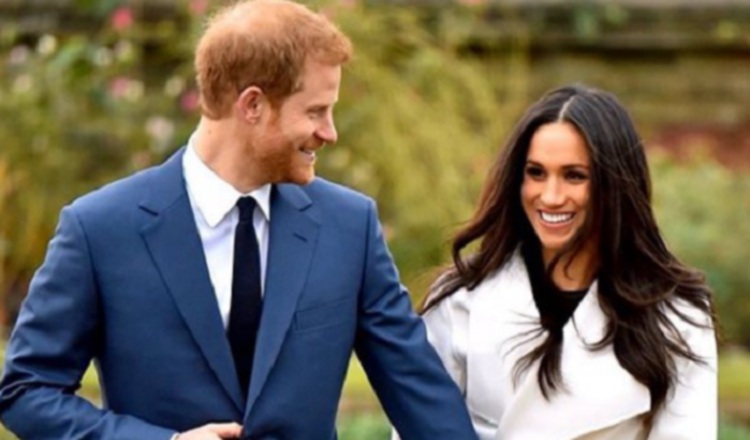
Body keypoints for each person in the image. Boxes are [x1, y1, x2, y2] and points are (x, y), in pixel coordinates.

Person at [0, 1, 478, 439]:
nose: (329, 132)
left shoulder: (349, 228)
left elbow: (425, 401)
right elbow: (26, 390)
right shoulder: (99, 229)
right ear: (252, 105)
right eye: (316, 111)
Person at [407, 84, 718, 440]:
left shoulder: (677, 316)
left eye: (574, 176)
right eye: (536, 173)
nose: (551, 197)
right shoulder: (461, 300)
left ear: (614, 185)